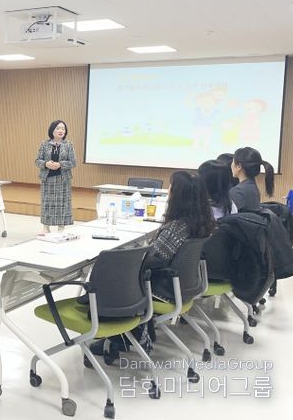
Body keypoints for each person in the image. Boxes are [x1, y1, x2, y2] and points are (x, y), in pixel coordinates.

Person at [90, 171, 215, 357]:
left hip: (164, 288)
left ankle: (119, 337)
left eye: (171, 187)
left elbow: (154, 260)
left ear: (179, 196)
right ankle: (127, 334)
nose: (168, 190)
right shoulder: (200, 223)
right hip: (186, 284)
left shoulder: (175, 228)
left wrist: (131, 254)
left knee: (117, 276)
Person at [35, 120, 76, 232]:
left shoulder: (68, 145)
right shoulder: (44, 144)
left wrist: (60, 164)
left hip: (63, 180)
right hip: (47, 179)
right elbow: (37, 161)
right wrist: (46, 164)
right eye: (58, 128)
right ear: (52, 130)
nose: (61, 130)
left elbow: (73, 162)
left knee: (63, 204)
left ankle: (61, 228)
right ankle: (46, 228)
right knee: (47, 203)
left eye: (63, 128)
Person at [229, 147, 275, 212]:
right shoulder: (252, 187)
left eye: (233, 162)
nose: (231, 165)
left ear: (239, 166)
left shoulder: (237, 192)